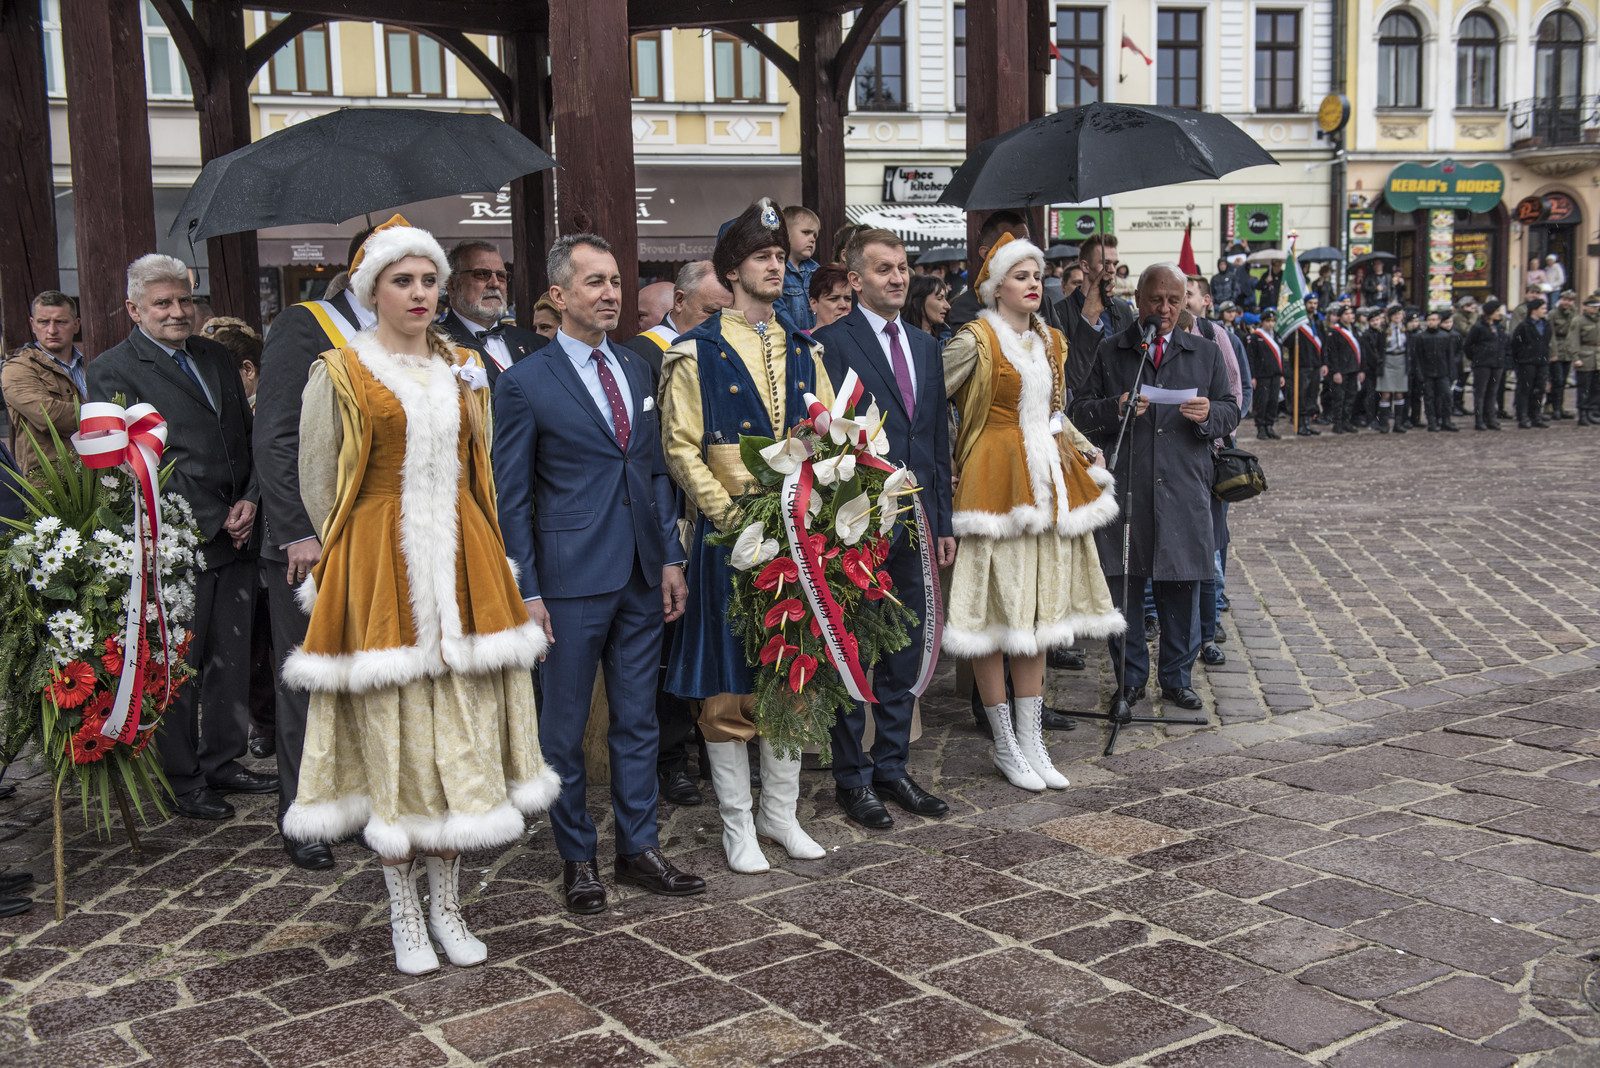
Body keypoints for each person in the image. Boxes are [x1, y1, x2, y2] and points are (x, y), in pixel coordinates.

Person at [282, 217, 558, 974]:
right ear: (372, 289)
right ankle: (404, 910)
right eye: (402, 280)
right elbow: (319, 480)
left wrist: (496, 564)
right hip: (381, 565)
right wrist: (357, 559)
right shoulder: (340, 370)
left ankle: (448, 904)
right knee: (396, 739)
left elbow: (484, 467)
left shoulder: (464, 365)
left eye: (429, 280)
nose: (419, 293)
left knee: (457, 740)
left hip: (465, 559)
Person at [493, 233, 703, 915]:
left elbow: (653, 471)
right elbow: (511, 498)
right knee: (562, 731)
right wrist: (526, 591)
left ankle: (638, 849)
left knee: (638, 721)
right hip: (567, 582)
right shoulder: (524, 383)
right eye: (595, 282)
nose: (611, 293)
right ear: (559, 295)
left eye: (615, 281)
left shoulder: (638, 368)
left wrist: (670, 557)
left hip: (641, 572)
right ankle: (577, 857)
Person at [661, 198, 833, 873]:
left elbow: (829, 435)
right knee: (728, 684)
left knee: (792, 674)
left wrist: (814, 511)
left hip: (795, 535)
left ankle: (781, 815)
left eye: (781, 257)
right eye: (763, 257)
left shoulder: (805, 349)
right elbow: (681, 448)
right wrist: (732, 520)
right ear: (731, 270)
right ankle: (738, 825)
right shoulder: (694, 353)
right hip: (726, 538)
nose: (776, 266)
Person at [88, 254, 268, 821]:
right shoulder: (112, 370)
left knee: (232, 659)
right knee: (180, 665)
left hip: (240, 530)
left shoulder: (215, 356)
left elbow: (249, 434)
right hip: (176, 539)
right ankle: (182, 777)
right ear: (133, 309)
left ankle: (223, 759)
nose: (177, 311)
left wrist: (252, 499)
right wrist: (215, 515)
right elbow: (132, 465)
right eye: (162, 303)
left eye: (184, 300)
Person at [942, 235, 1121, 792]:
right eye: (1020, 276)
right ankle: (1004, 743)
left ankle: (1031, 737)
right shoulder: (975, 340)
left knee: (1037, 617)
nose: (1033, 285)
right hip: (995, 486)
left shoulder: (1051, 340)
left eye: (1037, 275)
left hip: (1048, 485)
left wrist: (1085, 447)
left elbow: (1054, 414)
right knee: (995, 618)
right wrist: (947, 463)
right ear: (997, 287)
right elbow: (929, 403)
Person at [814, 229, 955, 825]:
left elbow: (935, 439)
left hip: (918, 521)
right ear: (854, 280)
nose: (897, 278)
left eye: (901, 267)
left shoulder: (924, 344)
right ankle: (852, 778)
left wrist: (943, 519)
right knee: (853, 647)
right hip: (858, 522)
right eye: (883, 269)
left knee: (904, 644)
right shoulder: (828, 344)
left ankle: (892, 766)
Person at [253, 227, 375, 871]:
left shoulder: (404, 336)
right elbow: (276, 434)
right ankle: (303, 816)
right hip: (312, 542)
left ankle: (357, 804)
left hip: (374, 538)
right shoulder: (305, 326)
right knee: (309, 679)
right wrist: (296, 531)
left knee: (364, 679)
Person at [1070, 263, 1240, 716]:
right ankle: (1129, 682)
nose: (1163, 309)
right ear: (1138, 300)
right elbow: (1079, 411)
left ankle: (1177, 680)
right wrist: (1116, 407)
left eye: (1173, 301)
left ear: (1184, 303)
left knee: (1181, 586)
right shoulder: (1113, 350)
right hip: (1128, 488)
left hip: (1184, 488)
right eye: (1155, 300)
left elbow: (1231, 409)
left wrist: (1211, 414)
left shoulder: (1205, 352)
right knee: (1124, 590)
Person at [436, 240, 543, 388]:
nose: (495, 283)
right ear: (452, 285)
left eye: (501, 276)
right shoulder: (433, 344)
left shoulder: (536, 344)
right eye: (481, 274)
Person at [3, 291, 85, 475]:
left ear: (76, 324)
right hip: (48, 481)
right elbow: (48, 416)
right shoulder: (18, 367)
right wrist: (106, 415)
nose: (52, 330)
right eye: (43, 322)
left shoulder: (91, 364)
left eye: (60, 322)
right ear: (33, 325)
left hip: (100, 478)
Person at [1054, 232, 1136, 391]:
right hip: (1079, 396)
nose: (1112, 270)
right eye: (1105, 263)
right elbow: (1066, 369)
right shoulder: (1059, 312)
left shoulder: (1122, 309)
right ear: (1085, 266)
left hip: (1115, 396)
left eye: (1115, 264)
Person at [623, 260, 731, 377]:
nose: (720, 323)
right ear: (679, 300)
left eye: (729, 315)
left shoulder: (730, 349)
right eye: (710, 312)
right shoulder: (638, 353)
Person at [1407, 310, 1456, 432]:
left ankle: (1446, 420)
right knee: (1429, 398)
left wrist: (1452, 372)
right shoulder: (1420, 337)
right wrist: (1419, 373)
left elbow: (1450, 356)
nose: (1431, 322)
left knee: (1446, 396)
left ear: (1439, 321)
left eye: (1434, 320)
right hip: (1427, 372)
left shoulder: (1445, 336)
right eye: (1429, 320)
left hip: (1442, 371)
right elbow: (1418, 357)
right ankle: (1432, 421)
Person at [1465, 299, 1508, 431]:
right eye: (1497, 311)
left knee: (1492, 392)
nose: (1499, 314)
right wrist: (1477, 356)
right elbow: (1468, 345)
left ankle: (1490, 418)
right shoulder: (1478, 327)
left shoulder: (1499, 327)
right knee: (1480, 392)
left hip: (1497, 363)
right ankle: (1479, 420)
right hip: (1482, 363)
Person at [1510, 298, 1551, 429]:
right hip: (1526, 362)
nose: (1545, 311)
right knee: (1525, 389)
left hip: (1542, 361)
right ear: (1534, 310)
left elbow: (1547, 341)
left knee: (1540, 389)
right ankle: (1523, 416)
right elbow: (1515, 344)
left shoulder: (1546, 324)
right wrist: (1519, 359)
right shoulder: (1524, 326)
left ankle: (1536, 415)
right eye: (1542, 308)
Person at [1323, 303, 1364, 434]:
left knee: (1350, 396)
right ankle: (1338, 423)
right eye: (1346, 314)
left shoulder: (1355, 330)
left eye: (1351, 313)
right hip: (1341, 369)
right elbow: (1332, 353)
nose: (1350, 316)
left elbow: (1361, 351)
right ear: (1340, 316)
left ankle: (1347, 421)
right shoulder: (1335, 332)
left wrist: (1361, 369)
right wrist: (1335, 371)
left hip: (1353, 368)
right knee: (1339, 398)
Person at [780, 206, 822, 330]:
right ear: (785, 233)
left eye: (815, 235)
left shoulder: (817, 271)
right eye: (806, 232)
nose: (812, 239)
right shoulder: (778, 271)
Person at [1246, 308, 1284, 439]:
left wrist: (1281, 373)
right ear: (1262, 322)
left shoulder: (1277, 336)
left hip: (1275, 374)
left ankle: (1269, 425)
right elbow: (1250, 358)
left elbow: (1280, 356)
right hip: (1262, 375)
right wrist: (1252, 376)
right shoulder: (1256, 337)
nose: (1271, 324)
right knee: (1262, 402)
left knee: (1273, 401)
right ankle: (1261, 427)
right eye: (1268, 321)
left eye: (1273, 321)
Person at [1374, 303, 1409, 434]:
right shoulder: (1383, 330)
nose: (1397, 317)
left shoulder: (1406, 329)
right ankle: (1384, 424)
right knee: (1386, 393)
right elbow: (1377, 347)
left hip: (1401, 360)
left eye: (1399, 314)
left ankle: (1398, 423)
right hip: (1388, 360)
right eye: (1394, 314)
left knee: (1400, 393)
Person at [1548, 289, 1580, 420]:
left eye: (1570, 300)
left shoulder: (1574, 314)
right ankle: (1555, 408)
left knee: (1563, 381)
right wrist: (1553, 352)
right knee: (1557, 380)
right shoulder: (1553, 314)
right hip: (1557, 349)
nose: (1567, 303)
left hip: (1568, 350)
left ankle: (1560, 407)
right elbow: (1551, 335)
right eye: (1565, 300)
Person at [902, 273, 951, 344]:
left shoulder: (949, 338)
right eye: (939, 298)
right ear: (917, 302)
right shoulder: (898, 340)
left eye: (945, 299)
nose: (948, 306)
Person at [1576, 292, 1600, 426]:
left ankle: (1593, 412)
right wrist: (1575, 357)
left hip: (1597, 357)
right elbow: (1573, 340)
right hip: (1585, 356)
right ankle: (1583, 414)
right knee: (1584, 388)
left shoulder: (1598, 320)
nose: (1595, 309)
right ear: (1585, 307)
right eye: (1593, 306)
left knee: (1596, 387)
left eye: (1597, 306)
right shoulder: (1579, 321)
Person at [809, 263, 853, 329]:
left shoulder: (862, 335)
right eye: (833, 299)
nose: (843, 305)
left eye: (848, 299)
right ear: (814, 304)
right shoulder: (799, 336)